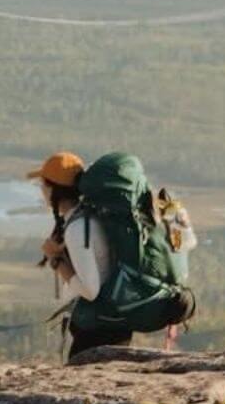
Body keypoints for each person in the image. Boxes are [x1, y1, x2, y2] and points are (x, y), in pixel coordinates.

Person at [29, 150, 196, 357]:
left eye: (42, 185)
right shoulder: (96, 216)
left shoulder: (79, 227)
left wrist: (56, 260)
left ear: (53, 190)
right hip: (116, 321)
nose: (41, 190)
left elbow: (90, 290)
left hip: (98, 329)